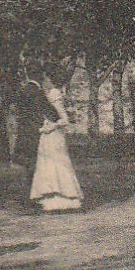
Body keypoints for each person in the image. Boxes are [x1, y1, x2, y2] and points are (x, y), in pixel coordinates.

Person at [27, 79, 83, 212]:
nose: (45, 82)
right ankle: (50, 198)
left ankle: (66, 198)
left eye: (47, 79)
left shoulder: (54, 94)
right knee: (47, 164)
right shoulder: (45, 95)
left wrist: (50, 127)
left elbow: (64, 120)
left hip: (54, 136)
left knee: (58, 163)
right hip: (47, 136)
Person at [10, 79, 55, 184]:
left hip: (24, 128)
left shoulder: (22, 91)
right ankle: (33, 181)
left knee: (27, 155)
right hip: (36, 128)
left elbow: (16, 109)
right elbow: (49, 110)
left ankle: (28, 179)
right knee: (35, 155)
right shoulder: (39, 92)